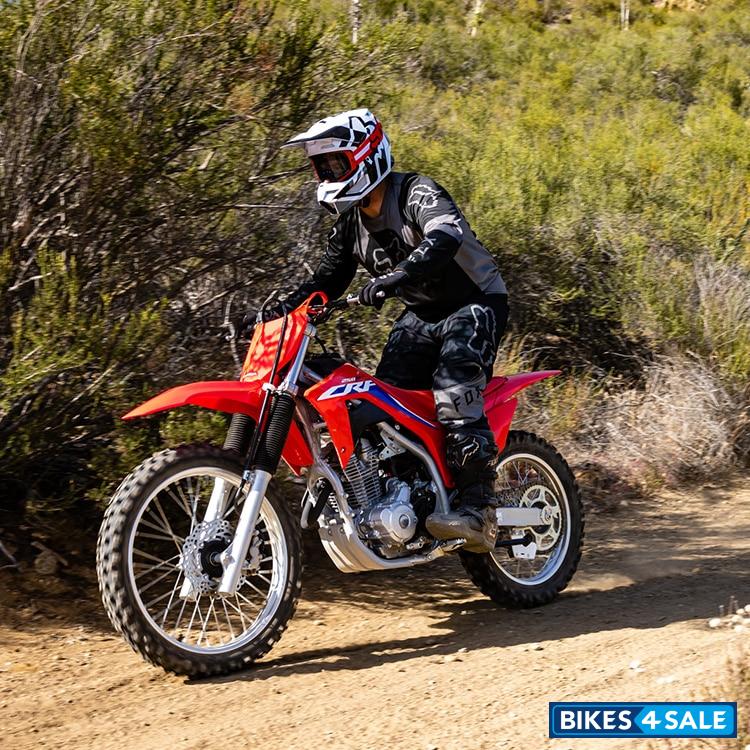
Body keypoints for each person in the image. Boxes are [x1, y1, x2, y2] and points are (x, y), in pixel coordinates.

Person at [260, 108, 508, 553]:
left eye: (336, 164)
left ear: (368, 155)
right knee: (386, 408)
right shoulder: (349, 224)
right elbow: (325, 281)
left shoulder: (416, 191)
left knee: (454, 392)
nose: (329, 174)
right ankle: (414, 498)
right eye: (323, 167)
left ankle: (477, 507)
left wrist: (397, 277)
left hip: (474, 303)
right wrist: (277, 311)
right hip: (421, 315)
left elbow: (445, 235)